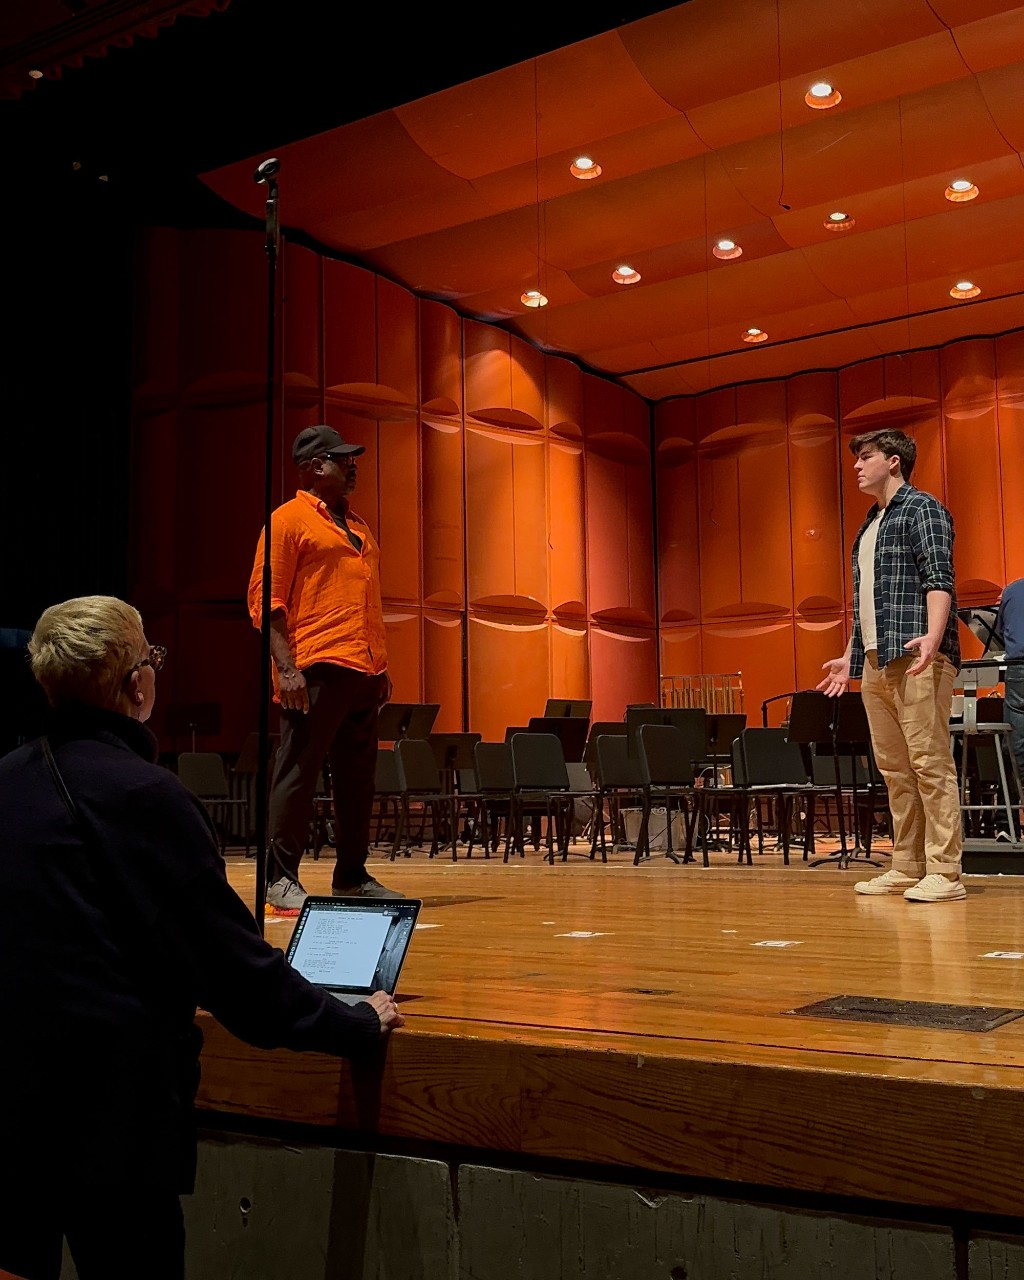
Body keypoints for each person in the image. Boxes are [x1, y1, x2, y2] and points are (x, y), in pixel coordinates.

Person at [0, 596, 403, 1280]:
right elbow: (239, 980)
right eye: (150, 657)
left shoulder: (5, 782)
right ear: (136, 684)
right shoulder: (148, 798)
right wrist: (355, 1022)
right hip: (111, 1128)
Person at [248, 425, 401, 915]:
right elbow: (266, 602)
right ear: (316, 467)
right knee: (297, 773)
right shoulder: (287, 520)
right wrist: (286, 669)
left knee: (359, 779)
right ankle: (279, 880)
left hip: (362, 669)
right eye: (343, 458)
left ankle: (351, 877)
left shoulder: (358, 526)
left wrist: (380, 668)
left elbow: (367, 603)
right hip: (314, 666)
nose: (353, 465)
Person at [818, 429, 966, 902]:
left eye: (866, 457)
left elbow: (939, 577)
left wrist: (935, 638)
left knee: (929, 763)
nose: (857, 467)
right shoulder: (869, 524)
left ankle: (946, 871)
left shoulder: (923, 508)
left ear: (895, 462)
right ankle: (907, 864)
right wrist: (849, 656)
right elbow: (867, 602)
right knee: (895, 770)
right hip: (875, 663)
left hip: (920, 657)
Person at [994, 576, 1024, 836]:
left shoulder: (1012, 590)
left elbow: (1001, 635)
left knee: (1014, 748)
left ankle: (1007, 824)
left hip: (1018, 672)